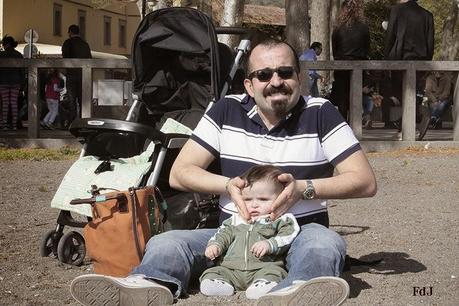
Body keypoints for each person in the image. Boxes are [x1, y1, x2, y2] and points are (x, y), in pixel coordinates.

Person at [70, 38, 377, 306]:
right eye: (263, 74)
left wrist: (303, 189)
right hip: (232, 238)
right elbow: (181, 173)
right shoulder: (226, 110)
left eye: (285, 72)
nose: (275, 81)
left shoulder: (321, 112)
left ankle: (297, 289)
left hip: (299, 232)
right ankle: (149, 284)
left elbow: (364, 181)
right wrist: (228, 184)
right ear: (248, 84)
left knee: (324, 244)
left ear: (298, 77)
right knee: (167, 242)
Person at [200, 165, 300, 300]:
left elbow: (288, 234)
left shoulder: (280, 219)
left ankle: (264, 284)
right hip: (231, 268)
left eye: (263, 199)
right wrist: (215, 245)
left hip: (263, 267)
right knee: (213, 271)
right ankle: (219, 283)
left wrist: (270, 243)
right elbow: (223, 234)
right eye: (247, 199)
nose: (254, 205)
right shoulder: (236, 220)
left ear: (280, 198)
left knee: (275, 272)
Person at [384, 0, 434, 131]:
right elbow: (430, 43)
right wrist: (427, 63)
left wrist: (386, 57)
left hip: (400, 58)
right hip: (420, 59)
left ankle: (414, 118)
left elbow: (390, 35)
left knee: (399, 90)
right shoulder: (427, 15)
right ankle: (410, 120)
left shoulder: (396, 10)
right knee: (413, 90)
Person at [330, 0, 370, 121]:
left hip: (342, 64)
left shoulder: (338, 27)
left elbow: (335, 47)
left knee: (342, 97)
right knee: (356, 95)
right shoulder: (364, 27)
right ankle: (355, 123)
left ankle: (343, 122)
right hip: (359, 63)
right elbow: (367, 47)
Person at [61, 24, 91, 128]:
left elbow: (64, 57)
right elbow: (89, 59)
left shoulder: (67, 43)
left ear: (70, 32)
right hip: (83, 75)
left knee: (71, 100)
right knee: (82, 100)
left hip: (71, 75)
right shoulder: (85, 44)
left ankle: (72, 123)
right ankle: (83, 122)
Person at [418, 71, 453, 140]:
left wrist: (439, 100)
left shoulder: (446, 79)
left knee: (441, 106)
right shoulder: (429, 78)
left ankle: (432, 118)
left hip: (442, 99)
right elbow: (428, 91)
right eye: (435, 71)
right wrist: (434, 100)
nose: (437, 72)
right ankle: (429, 122)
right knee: (425, 106)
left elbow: (446, 92)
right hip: (430, 98)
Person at [0, 35, 24, 130]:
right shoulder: (19, 55)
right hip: (16, 81)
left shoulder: (1, 55)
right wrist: (22, 83)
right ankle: (14, 124)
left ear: (6, 44)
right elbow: (22, 71)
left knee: (5, 103)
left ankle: (5, 124)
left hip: (3, 81)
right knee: (14, 103)